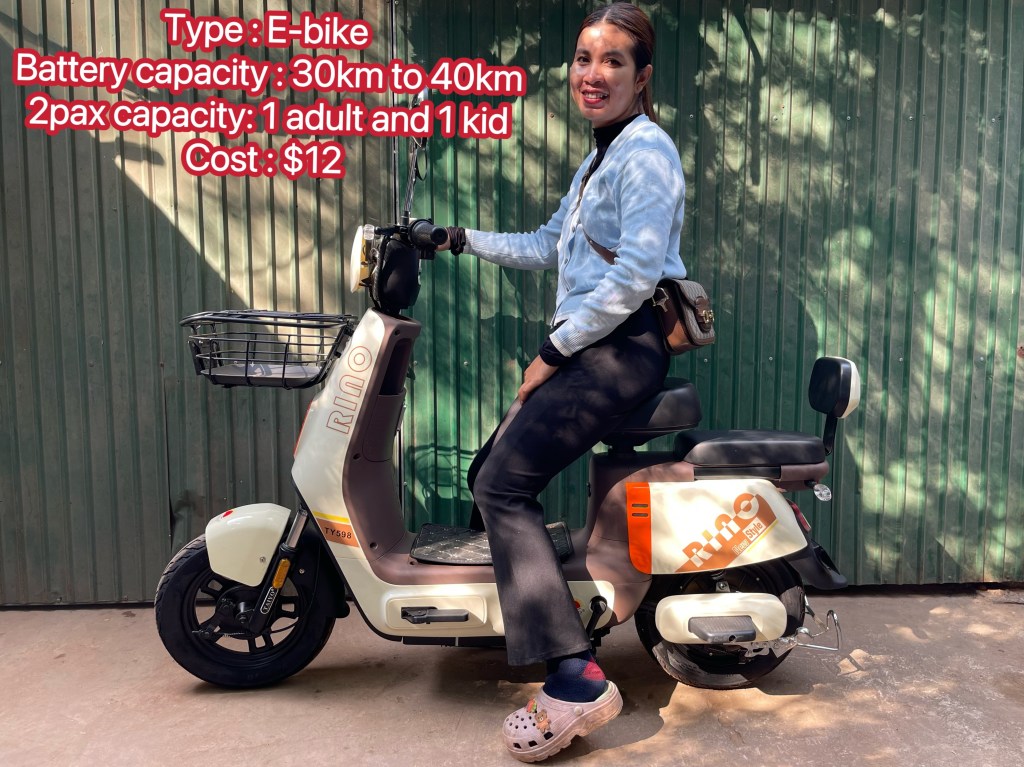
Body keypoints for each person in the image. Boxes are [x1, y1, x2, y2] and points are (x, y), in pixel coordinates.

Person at [439, 3, 687, 761]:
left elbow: (636, 275)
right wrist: (457, 238)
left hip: (621, 347)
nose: (593, 73)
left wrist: (552, 350)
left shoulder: (647, 152)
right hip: (593, 344)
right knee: (489, 467)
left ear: (641, 78)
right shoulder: (599, 158)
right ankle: (539, 607)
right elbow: (548, 243)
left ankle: (576, 677)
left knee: (502, 485)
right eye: (584, 58)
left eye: (613, 61)